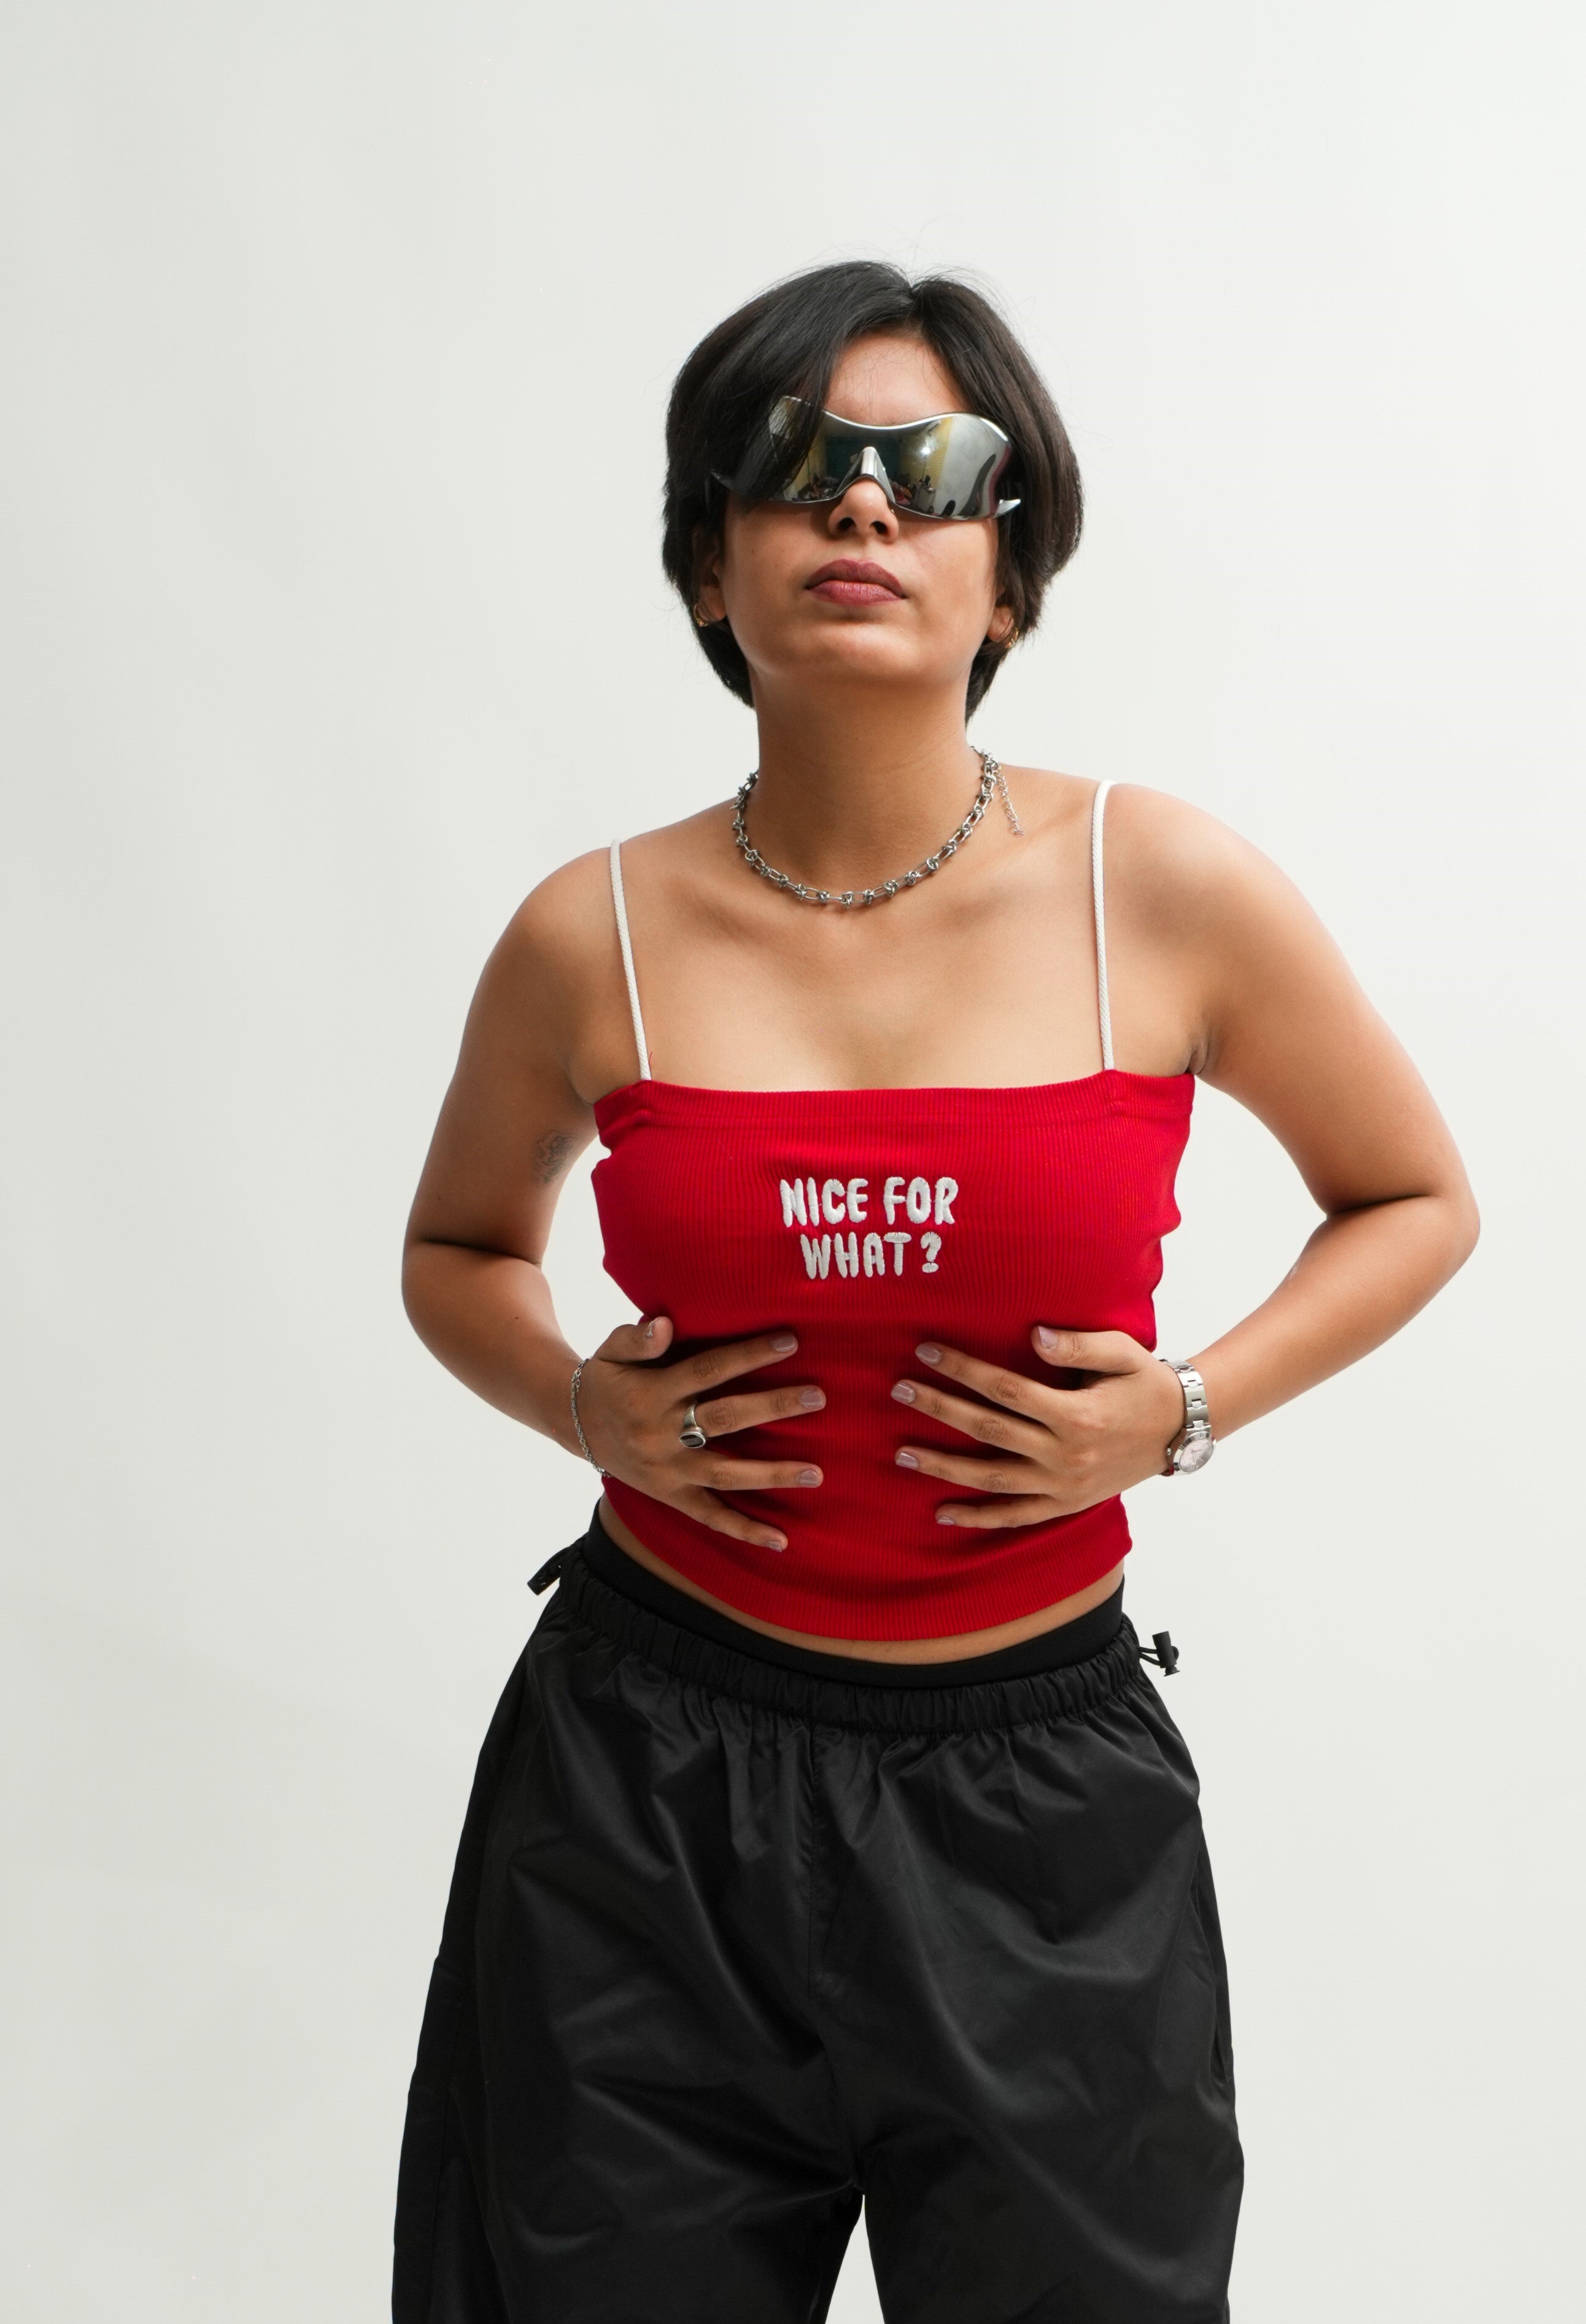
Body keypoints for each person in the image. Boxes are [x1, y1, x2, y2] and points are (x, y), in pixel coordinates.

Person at [390, 261, 1478, 2324]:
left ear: (1013, 581)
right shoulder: (588, 935)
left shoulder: (1158, 888)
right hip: (643, 1799)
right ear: (709, 566)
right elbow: (456, 1254)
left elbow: (1413, 1196)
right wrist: (577, 1400)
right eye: (794, 463)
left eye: (933, 467)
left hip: (1039, 1803)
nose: (864, 502)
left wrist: (1183, 1406)